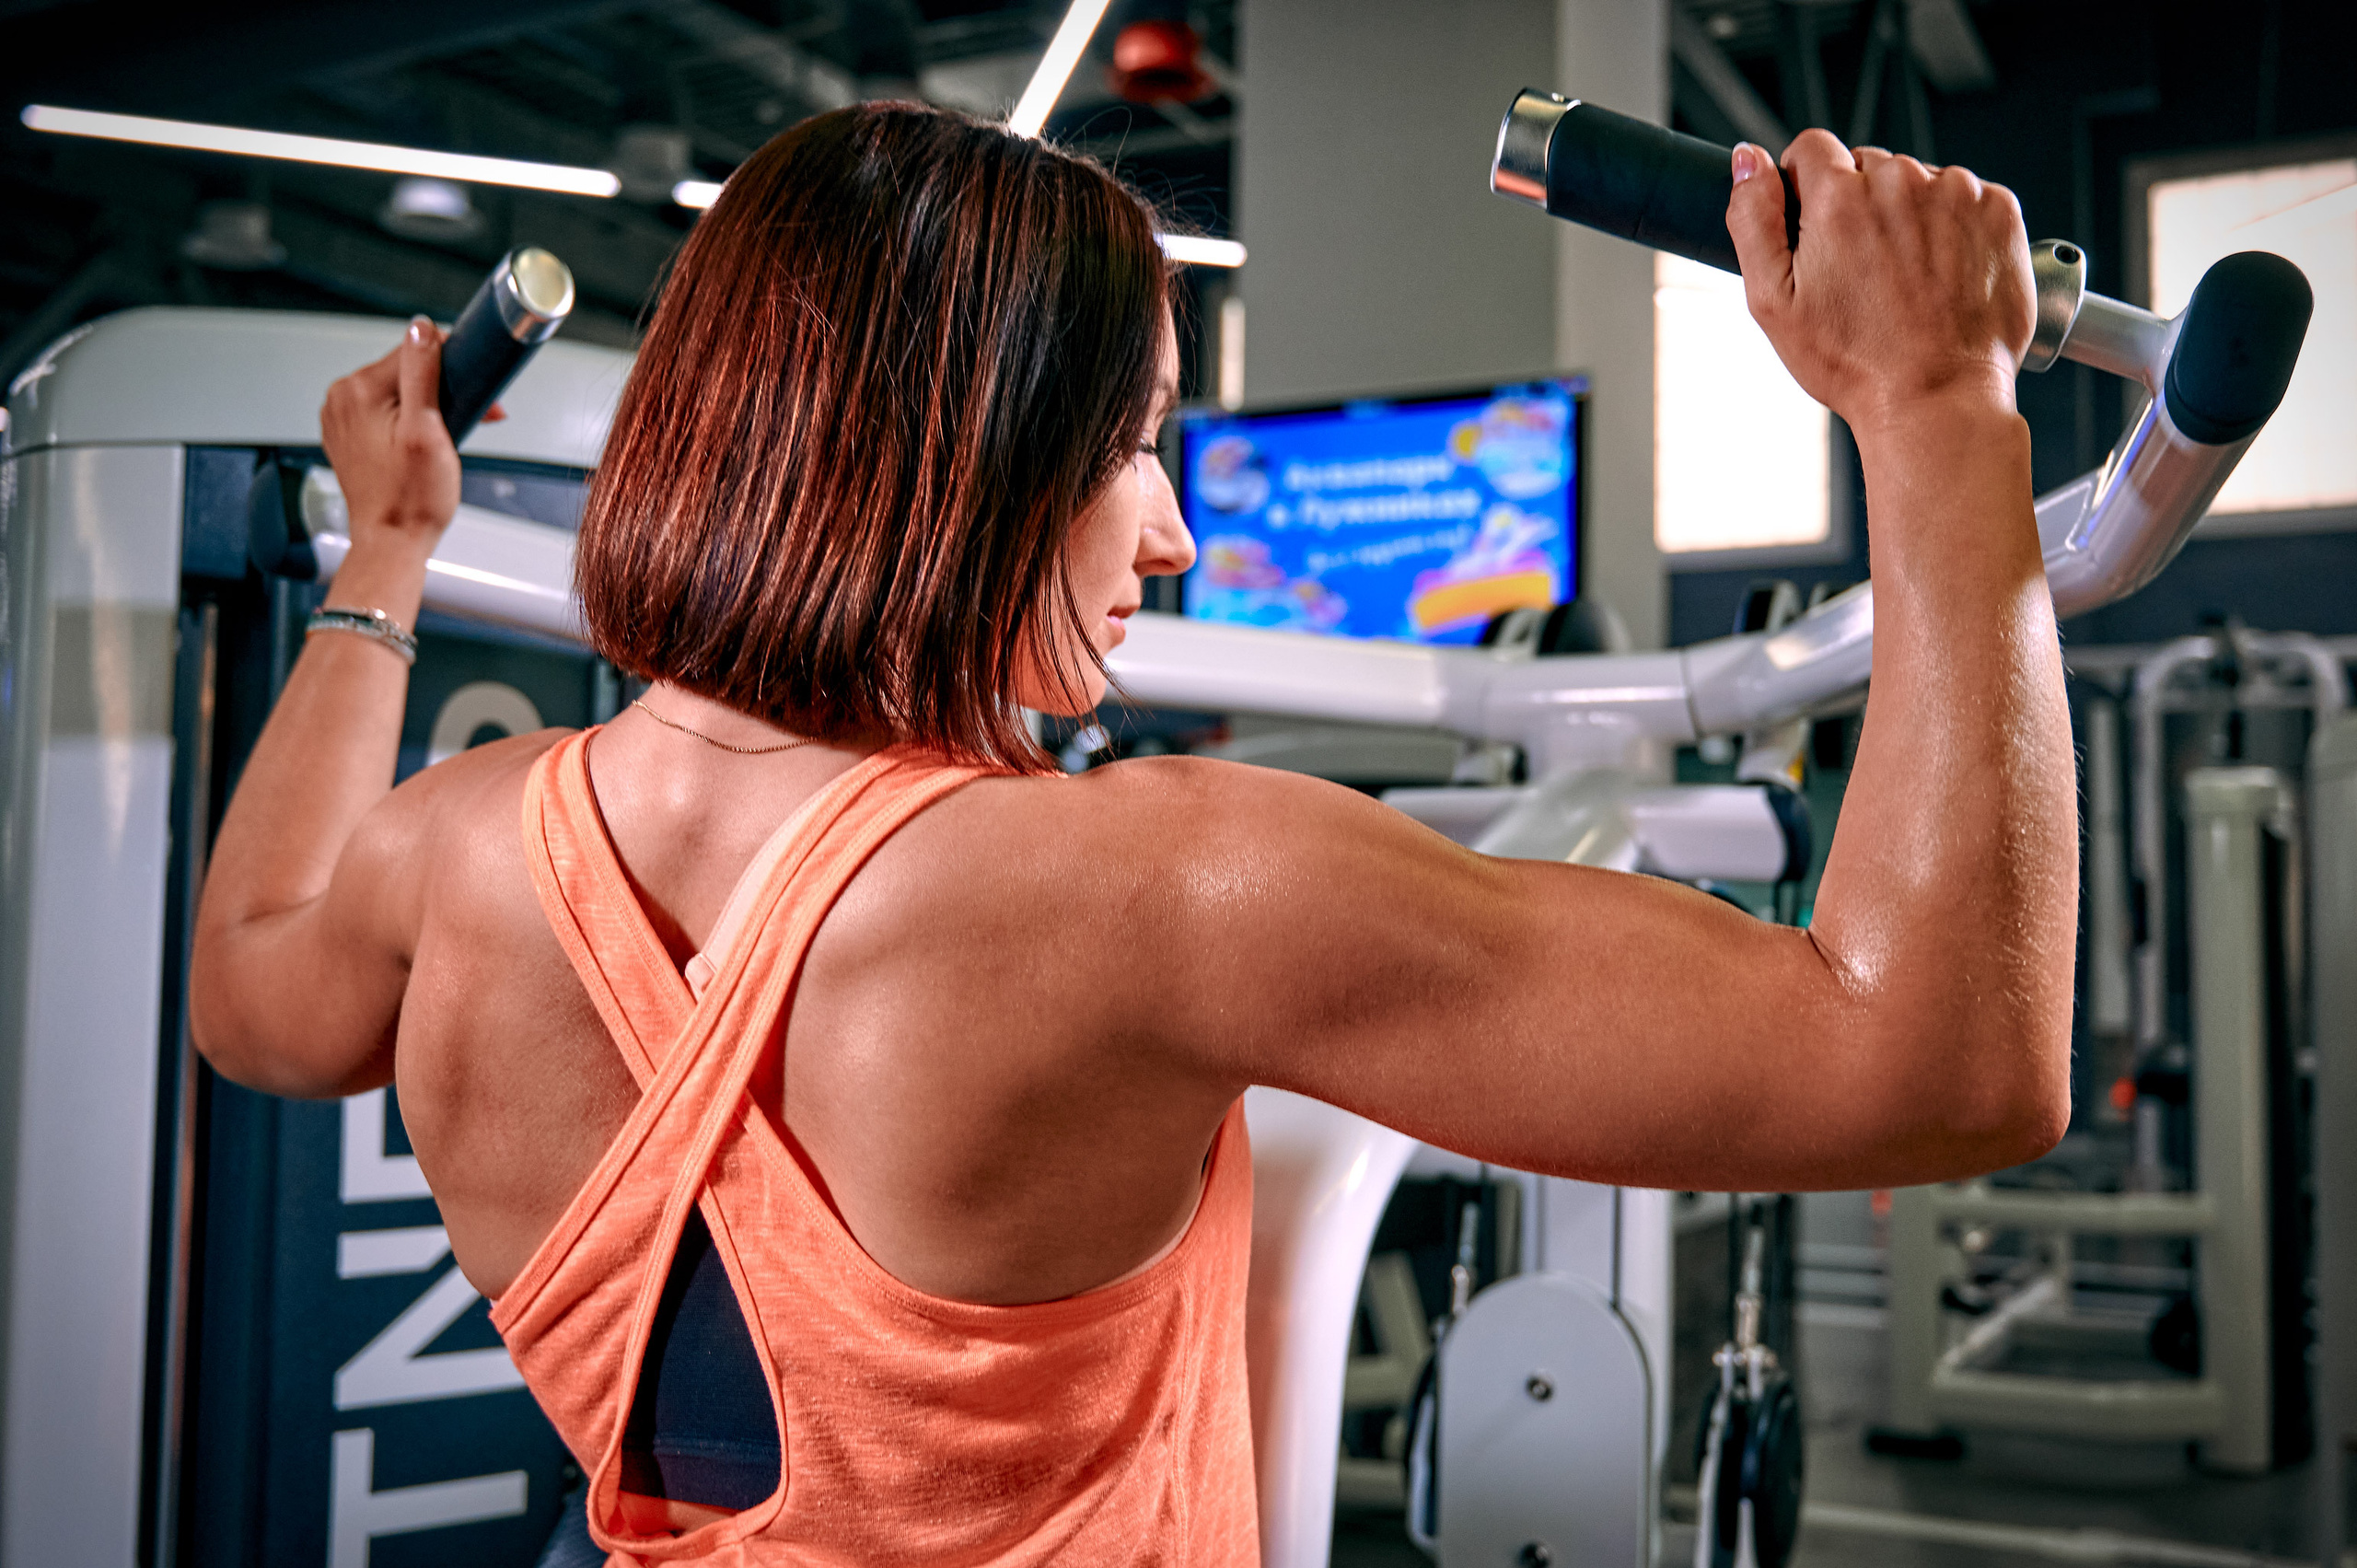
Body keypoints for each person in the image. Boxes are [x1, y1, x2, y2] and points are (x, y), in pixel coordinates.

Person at [190, 102, 2070, 1564]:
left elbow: (248, 998)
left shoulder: (448, 852)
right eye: (1131, 446)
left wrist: (388, 551)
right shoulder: (1144, 888)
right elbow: (1941, 1059)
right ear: (949, 452)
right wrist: (1933, 406)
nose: (1164, 538)